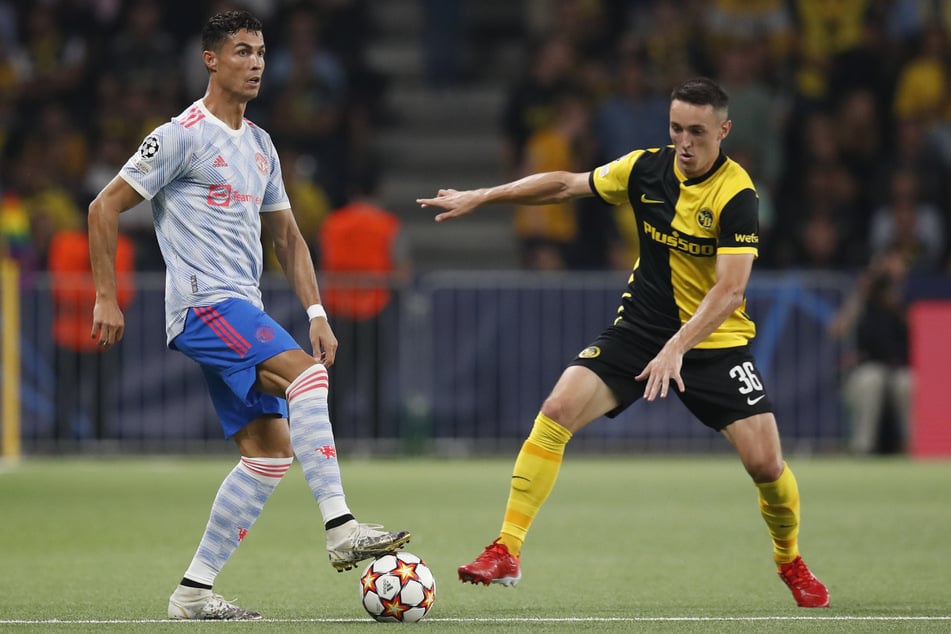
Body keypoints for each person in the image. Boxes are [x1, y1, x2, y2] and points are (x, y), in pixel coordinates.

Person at [417, 77, 830, 608]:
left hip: (714, 340)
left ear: (723, 131)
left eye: (697, 132)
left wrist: (679, 346)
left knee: (766, 466)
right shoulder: (644, 169)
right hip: (641, 329)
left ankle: (789, 559)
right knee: (557, 408)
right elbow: (567, 184)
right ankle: (506, 548)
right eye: (677, 128)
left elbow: (730, 291)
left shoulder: (737, 195)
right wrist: (485, 195)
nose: (684, 142)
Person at [87, 10, 409, 621]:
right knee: (308, 378)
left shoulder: (261, 145)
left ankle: (193, 592)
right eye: (241, 51)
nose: (256, 61)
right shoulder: (180, 136)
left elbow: (286, 237)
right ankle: (341, 527)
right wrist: (107, 295)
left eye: (261, 51)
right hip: (206, 303)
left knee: (268, 455)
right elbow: (104, 208)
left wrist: (316, 310)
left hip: (241, 307)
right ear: (210, 59)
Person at [318, 166, 410, 438]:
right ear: (377, 191)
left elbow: (322, 262)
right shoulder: (388, 225)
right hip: (376, 308)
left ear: (350, 192)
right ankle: (378, 439)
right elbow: (402, 271)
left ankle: (329, 440)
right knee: (377, 381)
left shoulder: (332, 223)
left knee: (334, 381)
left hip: (337, 310)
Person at [48, 222, 135, 445]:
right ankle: (59, 443)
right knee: (63, 396)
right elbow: (62, 289)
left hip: (104, 337)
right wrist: (103, 296)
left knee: (102, 397)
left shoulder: (121, 246)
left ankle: (101, 442)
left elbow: (124, 293)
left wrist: (92, 295)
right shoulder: (66, 243)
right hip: (70, 336)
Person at [830, 247, 912, 454]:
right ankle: (862, 447)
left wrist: (895, 296)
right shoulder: (864, 299)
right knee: (871, 380)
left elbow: (918, 330)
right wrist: (861, 292)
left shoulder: (905, 296)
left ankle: (912, 445)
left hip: (900, 367)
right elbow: (837, 330)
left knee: (908, 382)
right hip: (867, 367)